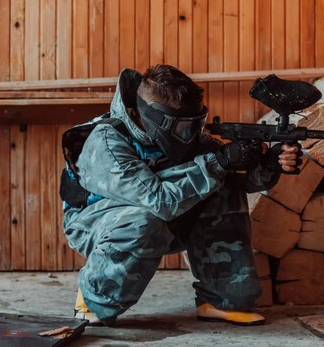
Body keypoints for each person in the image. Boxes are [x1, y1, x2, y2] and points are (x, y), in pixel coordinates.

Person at [62, 65, 301, 326]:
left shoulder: (187, 137)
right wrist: (218, 163)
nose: (192, 134)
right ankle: (94, 298)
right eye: (184, 127)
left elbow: (240, 182)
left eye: (196, 124)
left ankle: (223, 299)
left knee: (222, 184)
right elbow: (159, 200)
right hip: (94, 225)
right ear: (155, 119)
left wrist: (268, 165)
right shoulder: (108, 142)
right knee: (147, 216)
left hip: (161, 219)